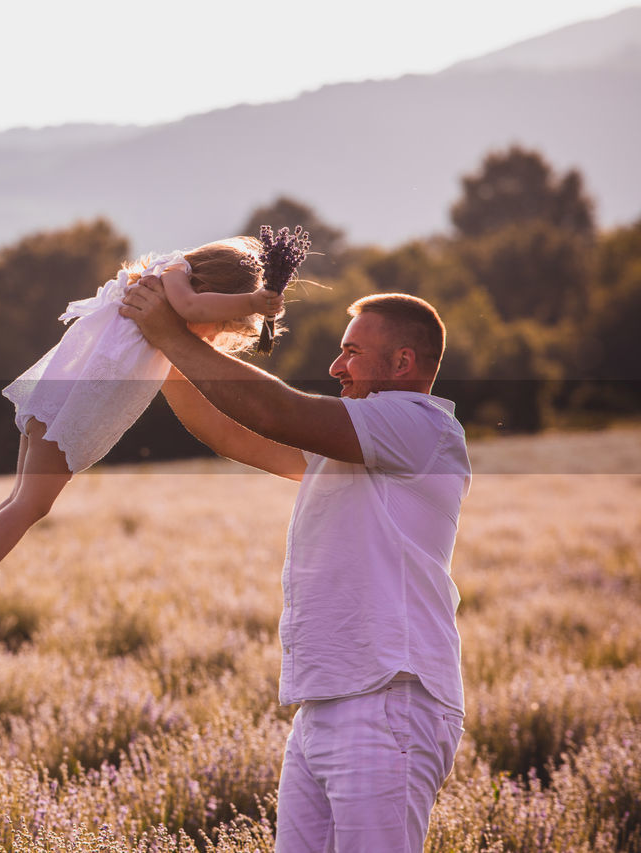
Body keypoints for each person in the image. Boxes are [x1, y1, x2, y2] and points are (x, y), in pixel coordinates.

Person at [119, 282, 471, 852]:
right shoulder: (357, 440)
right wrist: (166, 356)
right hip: (326, 702)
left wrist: (168, 332)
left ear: (404, 362)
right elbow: (232, 431)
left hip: (388, 701)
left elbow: (278, 411)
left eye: (352, 352)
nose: (336, 366)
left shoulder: (419, 426)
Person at [0, 239, 285, 644]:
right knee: (33, 503)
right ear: (214, 287)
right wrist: (255, 303)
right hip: (70, 406)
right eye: (220, 326)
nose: (212, 334)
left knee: (20, 499)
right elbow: (194, 309)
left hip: (59, 399)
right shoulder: (173, 276)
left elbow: (194, 321)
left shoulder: (161, 301)